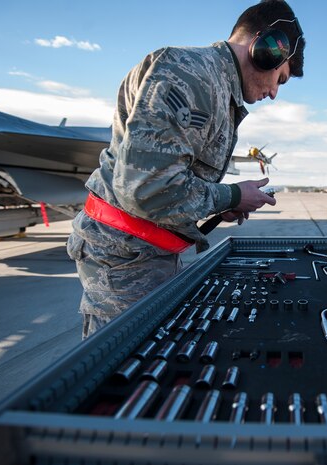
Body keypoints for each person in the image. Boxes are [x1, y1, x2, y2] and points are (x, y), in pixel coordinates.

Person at [66, 0, 306, 339]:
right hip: (125, 261)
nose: (274, 93)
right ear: (264, 49)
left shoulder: (216, 85)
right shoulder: (188, 73)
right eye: (279, 78)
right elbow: (147, 188)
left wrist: (223, 203)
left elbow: (173, 180)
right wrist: (233, 193)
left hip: (147, 255)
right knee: (120, 374)